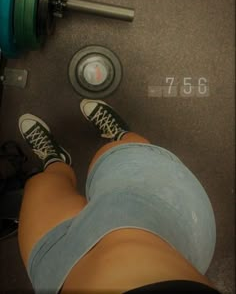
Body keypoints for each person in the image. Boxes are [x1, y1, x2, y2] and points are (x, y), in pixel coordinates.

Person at [17, 99, 220, 293]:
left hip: (59, 270)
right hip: (157, 225)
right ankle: (122, 135)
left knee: (40, 184)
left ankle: (55, 159)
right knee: (117, 151)